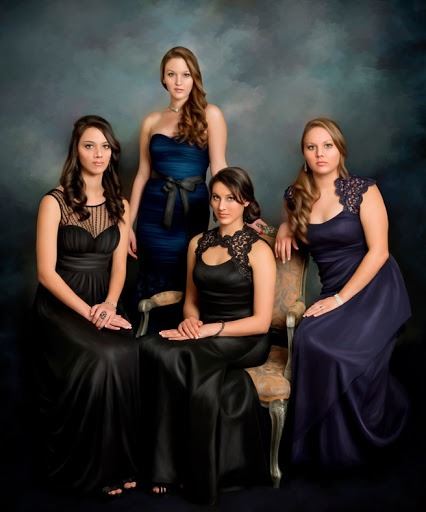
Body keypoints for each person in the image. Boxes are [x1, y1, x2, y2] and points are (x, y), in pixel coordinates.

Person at [275, 117, 411, 468]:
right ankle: (325, 449)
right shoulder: (294, 197)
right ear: (304, 154)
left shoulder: (363, 190)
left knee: (340, 354)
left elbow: (379, 252)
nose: (320, 153)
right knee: (309, 341)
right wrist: (283, 229)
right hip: (334, 289)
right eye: (312, 147)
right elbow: (289, 223)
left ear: (340, 150)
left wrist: (338, 300)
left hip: (376, 289)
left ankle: (364, 441)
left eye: (327, 146)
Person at [139, 167, 276, 505]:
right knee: (151, 347)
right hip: (205, 331)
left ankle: (191, 474)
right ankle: (163, 465)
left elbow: (261, 322)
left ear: (246, 202)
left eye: (231, 198)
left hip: (245, 338)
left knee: (182, 355)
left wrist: (210, 329)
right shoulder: (197, 243)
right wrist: (190, 322)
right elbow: (191, 302)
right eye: (216, 197)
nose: (222, 206)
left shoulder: (259, 251)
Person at [33, 115, 141, 497]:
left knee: (127, 352)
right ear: (76, 151)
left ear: (112, 152)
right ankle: (94, 469)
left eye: (105, 146)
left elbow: (119, 266)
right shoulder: (54, 202)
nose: (98, 154)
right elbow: (45, 273)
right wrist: (90, 314)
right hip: (61, 305)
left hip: (103, 302)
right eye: (89, 145)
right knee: (102, 357)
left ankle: (120, 463)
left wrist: (109, 305)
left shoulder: (120, 205)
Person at [128, 46, 228, 330]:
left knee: (186, 274)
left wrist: (245, 208)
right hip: (152, 214)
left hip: (190, 210)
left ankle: (179, 339)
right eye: (171, 74)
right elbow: (142, 174)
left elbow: (219, 167)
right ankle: (147, 341)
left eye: (185, 74)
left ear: (195, 77)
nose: (178, 81)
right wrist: (127, 225)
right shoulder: (151, 121)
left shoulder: (211, 114)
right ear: (163, 78)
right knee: (151, 279)